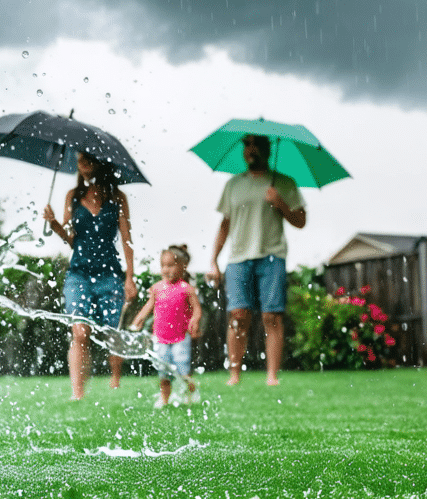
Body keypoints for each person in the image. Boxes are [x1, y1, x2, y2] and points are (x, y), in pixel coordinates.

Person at [208, 134, 306, 386]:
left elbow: (301, 221)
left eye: (257, 145)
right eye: (246, 144)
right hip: (238, 258)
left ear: (268, 149)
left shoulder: (284, 182)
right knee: (238, 315)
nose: (251, 149)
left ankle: (272, 376)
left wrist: (280, 203)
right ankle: (234, 375)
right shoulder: (233, 185)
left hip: (272, 256)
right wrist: (213, 260)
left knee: (271, 317)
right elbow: (225, 224)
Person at [43, 151, 138, 400]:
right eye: (80, 159)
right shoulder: (73, 197)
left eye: (88, 158)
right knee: (80, 332)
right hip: (79, 274)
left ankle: (115, 382)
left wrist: (130, 277)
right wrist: (54, 225)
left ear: (101, 162)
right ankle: (78, 393)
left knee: (112, 332)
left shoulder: (117, 198)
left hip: (110, 274)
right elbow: (71, 239)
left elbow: (127, 239)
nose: (83, 162)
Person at [129, 244, 204, 408]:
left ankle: (191, 394)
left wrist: (195, 320)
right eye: (163, 265)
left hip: (181, 338)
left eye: (170, 265)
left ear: (183, 267)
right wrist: (139, 318)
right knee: (163, 372)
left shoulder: (187, 289)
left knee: (183, 370)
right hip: (161, 338)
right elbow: (149, 306)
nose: (165, 269)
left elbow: (197, 309)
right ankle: (164, 398)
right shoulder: (157, 288)